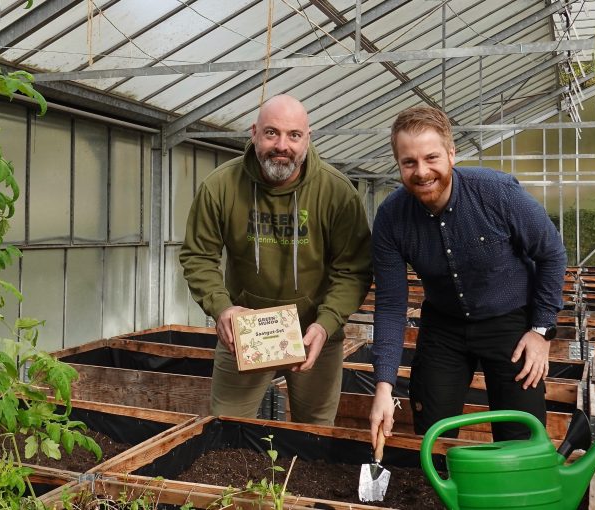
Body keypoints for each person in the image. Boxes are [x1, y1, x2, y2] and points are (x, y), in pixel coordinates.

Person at [369, 105, 567, 445]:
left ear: (451, 153)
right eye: (409, 162)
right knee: (432, 424)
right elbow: (390, 304)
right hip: (444, 324)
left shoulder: (497, 193)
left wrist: (541, 330)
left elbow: (551, 253)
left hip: (508, 320)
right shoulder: (391, 218)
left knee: (521, 429)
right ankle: (447, 492)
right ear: (398, 163)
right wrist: (383, 387)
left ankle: (514, 493)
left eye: (431, 158)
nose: (422, 171)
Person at [179, 94, 373, 425]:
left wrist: (326, 325)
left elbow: (352, 270)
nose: (282, 145)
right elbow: (198, 255)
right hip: (246, 332)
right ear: (254, 133)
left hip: (313, 331)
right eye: (271, 133)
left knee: (314, 433)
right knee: (226, 428)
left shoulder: (337, 192)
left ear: (307, 138)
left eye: (293, 135)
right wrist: (222, 308)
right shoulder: (221, 186)